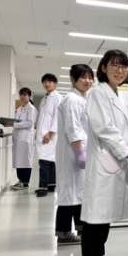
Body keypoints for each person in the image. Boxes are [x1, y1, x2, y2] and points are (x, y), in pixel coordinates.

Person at [81, 49, 128, 256]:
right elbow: (105, 128)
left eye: (123, 66)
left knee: (104, 216)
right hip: (104, 160)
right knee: (96, 216)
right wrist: (126, 151)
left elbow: (124, 131)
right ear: (103, 68)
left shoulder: (120, 95)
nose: (120, 70)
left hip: (114, 160)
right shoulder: (97, 93)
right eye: (114, 65)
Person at [54, 64, 94, 246]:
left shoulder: (82, 99)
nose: (88, 81)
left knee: (79, 193)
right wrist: (79, 152)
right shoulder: (71, 99)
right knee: (69, 195)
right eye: (83, 77)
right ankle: (63, 234)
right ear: (72, 79)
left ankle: (81, 230)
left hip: (81, 150)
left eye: (90, 77)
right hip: (72, 152)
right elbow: (73, 128)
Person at [35, 73, 62, 197]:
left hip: (50, 134)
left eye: (50, 81)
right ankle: (51, 185)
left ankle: (43, 187)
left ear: (55, 84)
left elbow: (57, 117)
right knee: (50, 161)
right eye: (45, 82)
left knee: (44, 162)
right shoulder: (44, 99)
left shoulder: (58, 98)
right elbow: (42, 118)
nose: (47, 84)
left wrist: (50, 133)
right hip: (43, 133)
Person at [8, 87, 38, 190]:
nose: (22, 97)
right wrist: (9, 123)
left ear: (29, 96)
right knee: (19, 160)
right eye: (21, 94)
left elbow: (30, 123)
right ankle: (20, 180)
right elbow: (16, 121)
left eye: (25, 95)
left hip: (25, 138)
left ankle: (25, 182)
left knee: (25, 160)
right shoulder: (20, 109)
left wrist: (14, 124)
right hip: (18, 137)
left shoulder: (31, 109)